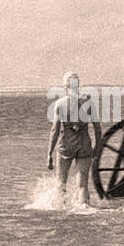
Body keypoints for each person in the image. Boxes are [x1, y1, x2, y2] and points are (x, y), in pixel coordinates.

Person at [46, 71, 98, 206]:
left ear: (65, 86)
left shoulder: (60, 104)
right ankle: (84, 208)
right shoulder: (89, 103)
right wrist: (97, 148)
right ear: (78, 85)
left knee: (61, 181)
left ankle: (60, 211)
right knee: (83, 184)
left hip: (66, 143)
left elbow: (55, 130)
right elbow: (98, 129)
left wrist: (49, 153)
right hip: (84, 143)